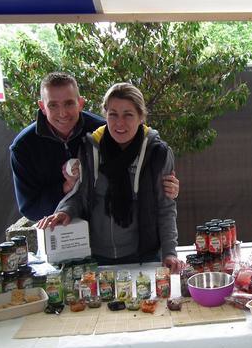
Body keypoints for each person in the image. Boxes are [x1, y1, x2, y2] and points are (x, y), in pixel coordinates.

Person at [37, 82, 181, 273]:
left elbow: (165, 207)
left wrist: (170, 252)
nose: (119, 123)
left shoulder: (157, 153)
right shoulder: (90, 148)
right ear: (105, 115)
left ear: (141, 117)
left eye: (128, 115)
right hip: (96, 257)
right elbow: (80, 195)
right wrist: (66, 212)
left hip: (143, 256)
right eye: (113, 114)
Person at [9, 72, 179, 221]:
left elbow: (135, 168)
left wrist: (164, 187)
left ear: (80, 103)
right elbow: (30, 209)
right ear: (42, 107)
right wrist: (66, 188)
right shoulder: (23, 147)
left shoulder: (103, 131)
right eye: (53, 105)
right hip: (57, 232)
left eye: (69, 103)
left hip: (105, 231)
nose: (62, 113)